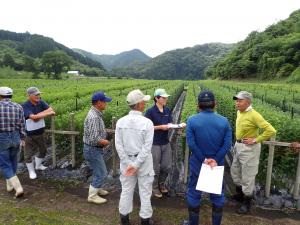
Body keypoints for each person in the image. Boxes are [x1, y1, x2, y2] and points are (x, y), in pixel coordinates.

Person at [185, 90, 232, 225]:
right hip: (216, 164)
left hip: (198, 163)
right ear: (215, 104)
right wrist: (215, 159)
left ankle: (193, 223)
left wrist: (204, 159)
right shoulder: (224, 121)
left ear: (198, 105)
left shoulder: (192, 120)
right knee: (217, 194)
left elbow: (192, 144)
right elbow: (227, 144)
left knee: (194, 192)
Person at [231, 91, 276, 214]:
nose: (237, 102)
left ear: (248, 102)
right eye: (237, 100)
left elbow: (271, 130)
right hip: (238, 145)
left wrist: (256, 139)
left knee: (248, 176)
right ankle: (240, 195)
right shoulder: (239, 112)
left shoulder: (254, 115)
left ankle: (247, 202)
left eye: (240, 100)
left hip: (249, 149)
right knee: (236, 171)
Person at [115, 89, 155, 225]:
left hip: (126, 162)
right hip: (143, 163)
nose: (145, 103)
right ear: (139, 105)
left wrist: (128, 163)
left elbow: (119, 146)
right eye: (143, 101)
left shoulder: (120, 122)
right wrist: (137, 164)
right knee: (145, 192)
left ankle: (124, 221)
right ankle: (145, 221)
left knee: (126, 190)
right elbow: (147, 147)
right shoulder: (147, 123)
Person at [83, 91, 112, 204]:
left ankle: (97, 188)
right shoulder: (94, 117)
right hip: (92, 149)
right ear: (99, 103)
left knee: (97, 171)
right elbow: (94, 139)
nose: (106, 104)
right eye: (105, 102)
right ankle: (92, 196)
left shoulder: (96, 114)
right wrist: (106, 142)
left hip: (94, 149)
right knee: (101, 173)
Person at [22, 87, 55, 179]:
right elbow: (33, 118)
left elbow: (52, 110)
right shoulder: (25, 105)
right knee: (28, 154)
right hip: (29, 135)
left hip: (40, 132)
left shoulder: (41, 102)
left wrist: (38, 115)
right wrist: (45, 113)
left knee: (43, 150)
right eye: (36, 95)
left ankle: (38, 166)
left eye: (38, 94)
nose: (38, 96)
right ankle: (31, 171)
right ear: (29, 95)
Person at [145, 88, 172, 198]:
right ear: (156, 98)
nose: (166, 99)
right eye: (163, 97)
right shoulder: (150, 112)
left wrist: (177, 126)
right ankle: (155, 187)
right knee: (155, 167)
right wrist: (160, 127)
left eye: (166, 97)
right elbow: (147, 127)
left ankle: (161, 184)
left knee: (167, 166)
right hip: (155, 143)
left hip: (165, 142)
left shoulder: (167, 110)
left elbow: (170, 122)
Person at [0, 87, 25, 197]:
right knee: (13, 160)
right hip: (15, 136)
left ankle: (18, 187)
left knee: (4, 163)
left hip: (2, 136)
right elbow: (22, 124)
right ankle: (10, 185)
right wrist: (23, 138)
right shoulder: (18, 106)